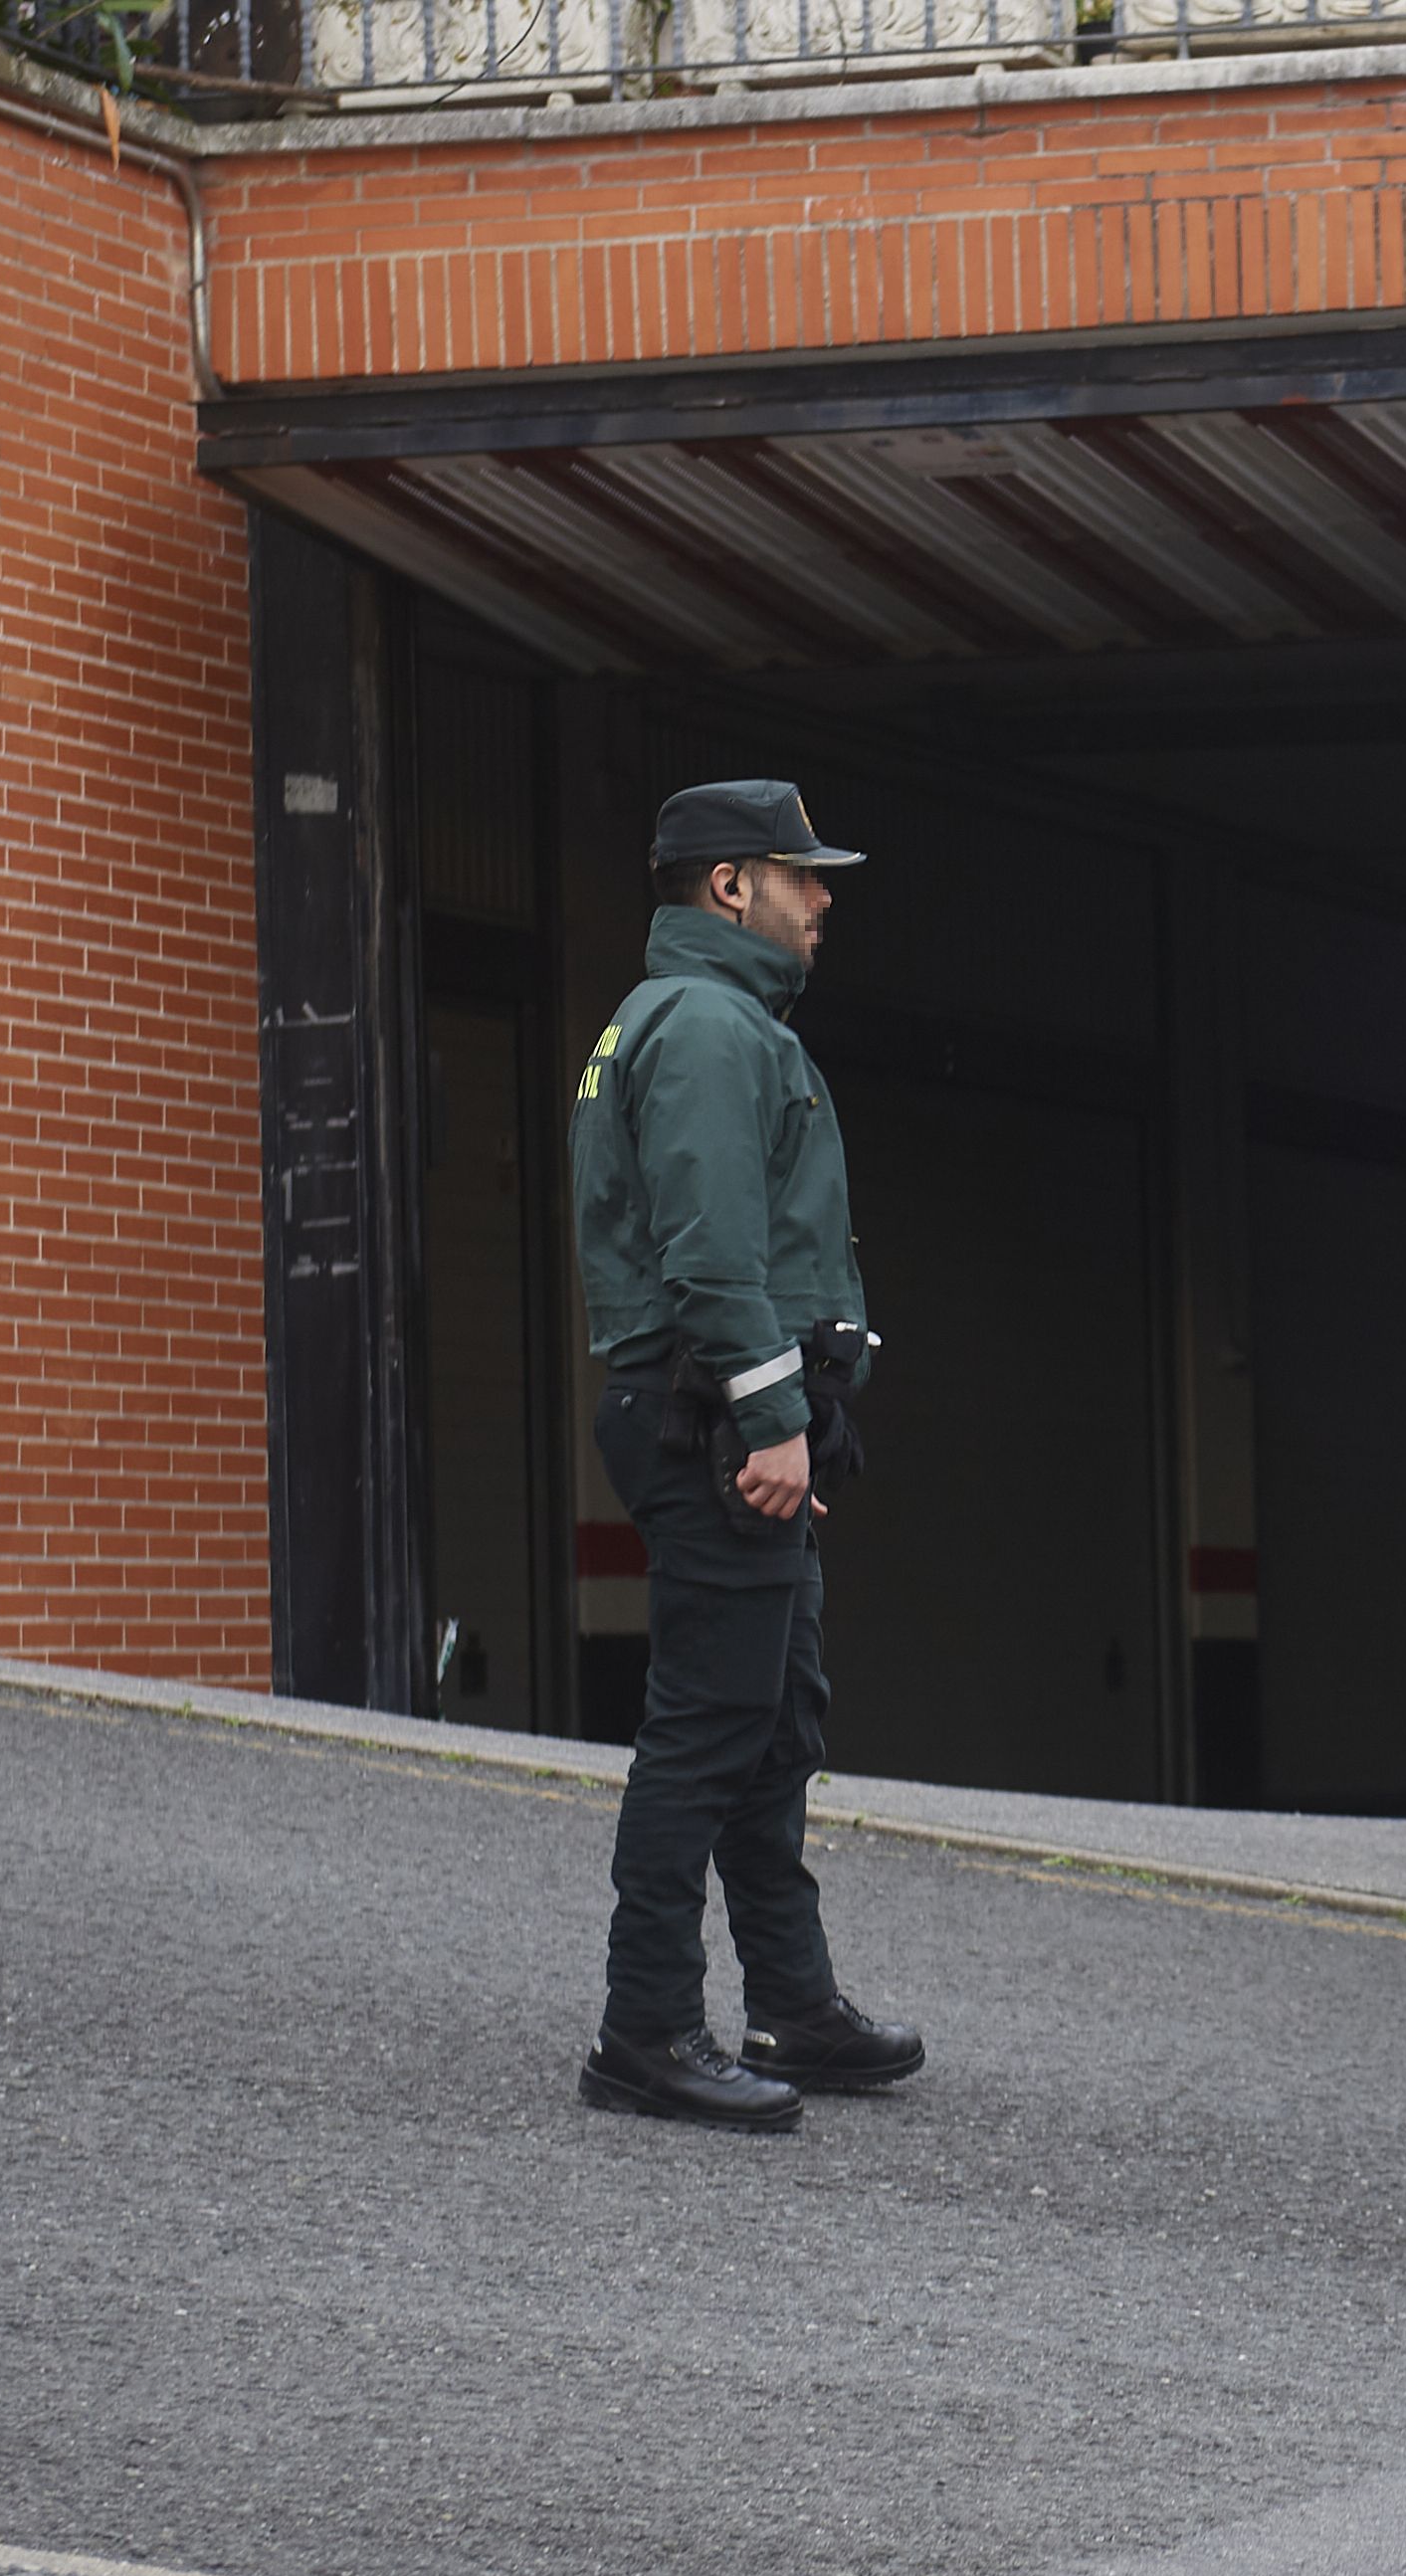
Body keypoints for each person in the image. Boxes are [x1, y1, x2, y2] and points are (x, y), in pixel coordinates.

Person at [567, 779, 925, 2130]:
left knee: (774, 1722)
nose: (823, 898)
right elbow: (711, 1247)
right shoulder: (710, 1027)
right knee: (709, 1729)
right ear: (731, 885)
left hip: (720, 1406)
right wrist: (774, 1415)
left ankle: (795, 2000)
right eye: (801, 874)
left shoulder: (691, 1021)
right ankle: (645, 2026)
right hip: (713, 1413)